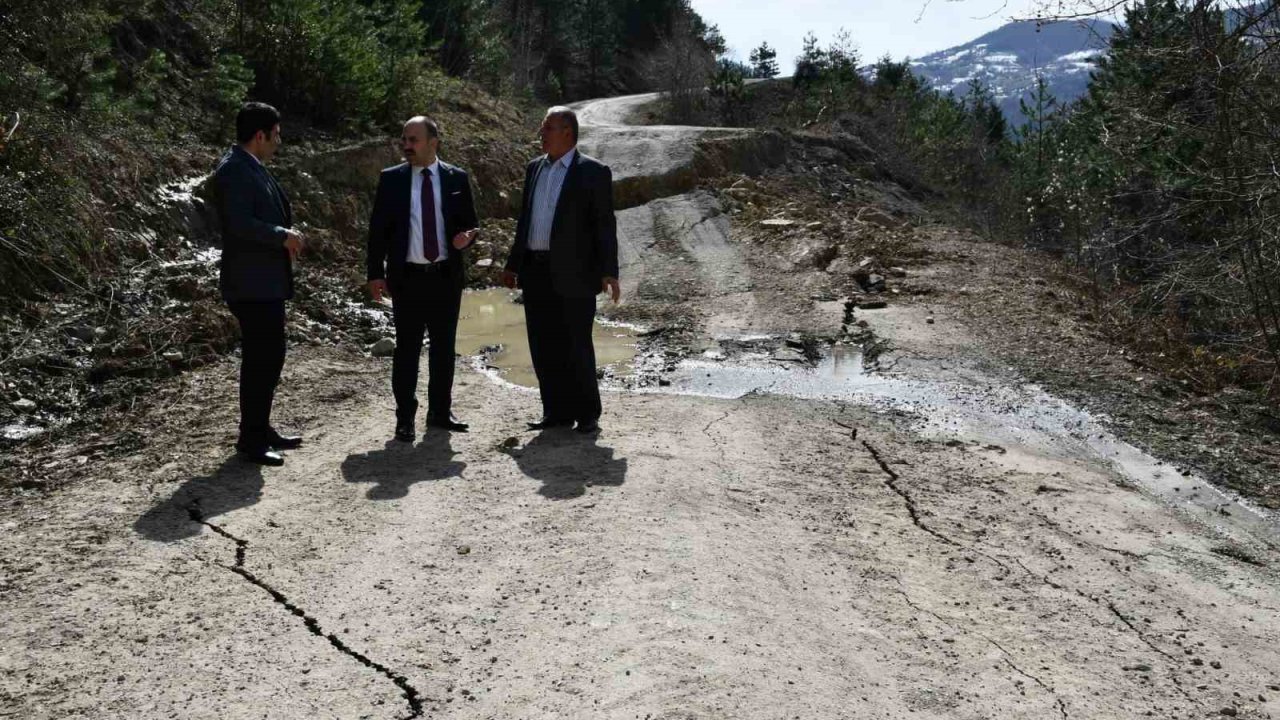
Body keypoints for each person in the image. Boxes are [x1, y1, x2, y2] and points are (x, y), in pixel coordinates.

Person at [501, 106, 620, 434]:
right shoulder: (534, 169)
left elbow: (604, 225)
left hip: (576, 273)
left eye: (547, 128)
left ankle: (587, 413)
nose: (542, 134)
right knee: (543, 342)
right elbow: (525, 221)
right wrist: (513, 264)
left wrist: (609, 271)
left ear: (567, 132)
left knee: (576, 343)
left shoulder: (593, 172)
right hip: (536, 271)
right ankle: (555, 411)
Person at [367, 116, 480, 441]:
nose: (406, 146)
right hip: (408, 278)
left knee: (444, 349)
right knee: (407, 351)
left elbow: (470, 224)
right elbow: (377, 232)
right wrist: (375, 273)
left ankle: (440, 413)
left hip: (445, 276)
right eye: (404, 139)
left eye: (413, 140)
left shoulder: (456, 177)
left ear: (433, 142)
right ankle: (405, 418)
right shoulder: (392, 180)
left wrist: (467, 238)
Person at [213, 102, 304, 466]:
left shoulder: (252, 166)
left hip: (264, 281)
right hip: (249, 283)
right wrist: (281, 235)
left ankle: (260, 427)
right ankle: (250, 440)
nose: (279, 141)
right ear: (260, 134)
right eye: (276, 134)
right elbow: (238, 223)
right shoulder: (234, 170)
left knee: (270, 357)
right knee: (260, 360)